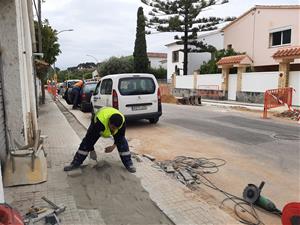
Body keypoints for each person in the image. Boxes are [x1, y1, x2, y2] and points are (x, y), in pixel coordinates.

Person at [63, 107, 136, 173]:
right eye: (113, 127)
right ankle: (75, 163)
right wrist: (91, 150)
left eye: (116, 128)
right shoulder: (99, 123)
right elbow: (90, 138)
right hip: (97, 122)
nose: (114, 130)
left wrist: (113, 146)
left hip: (110, 118)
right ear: (109, 122)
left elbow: (120, 137)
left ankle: (128, 164)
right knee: (86, 143)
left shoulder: (122, 123)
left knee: (123, 143)